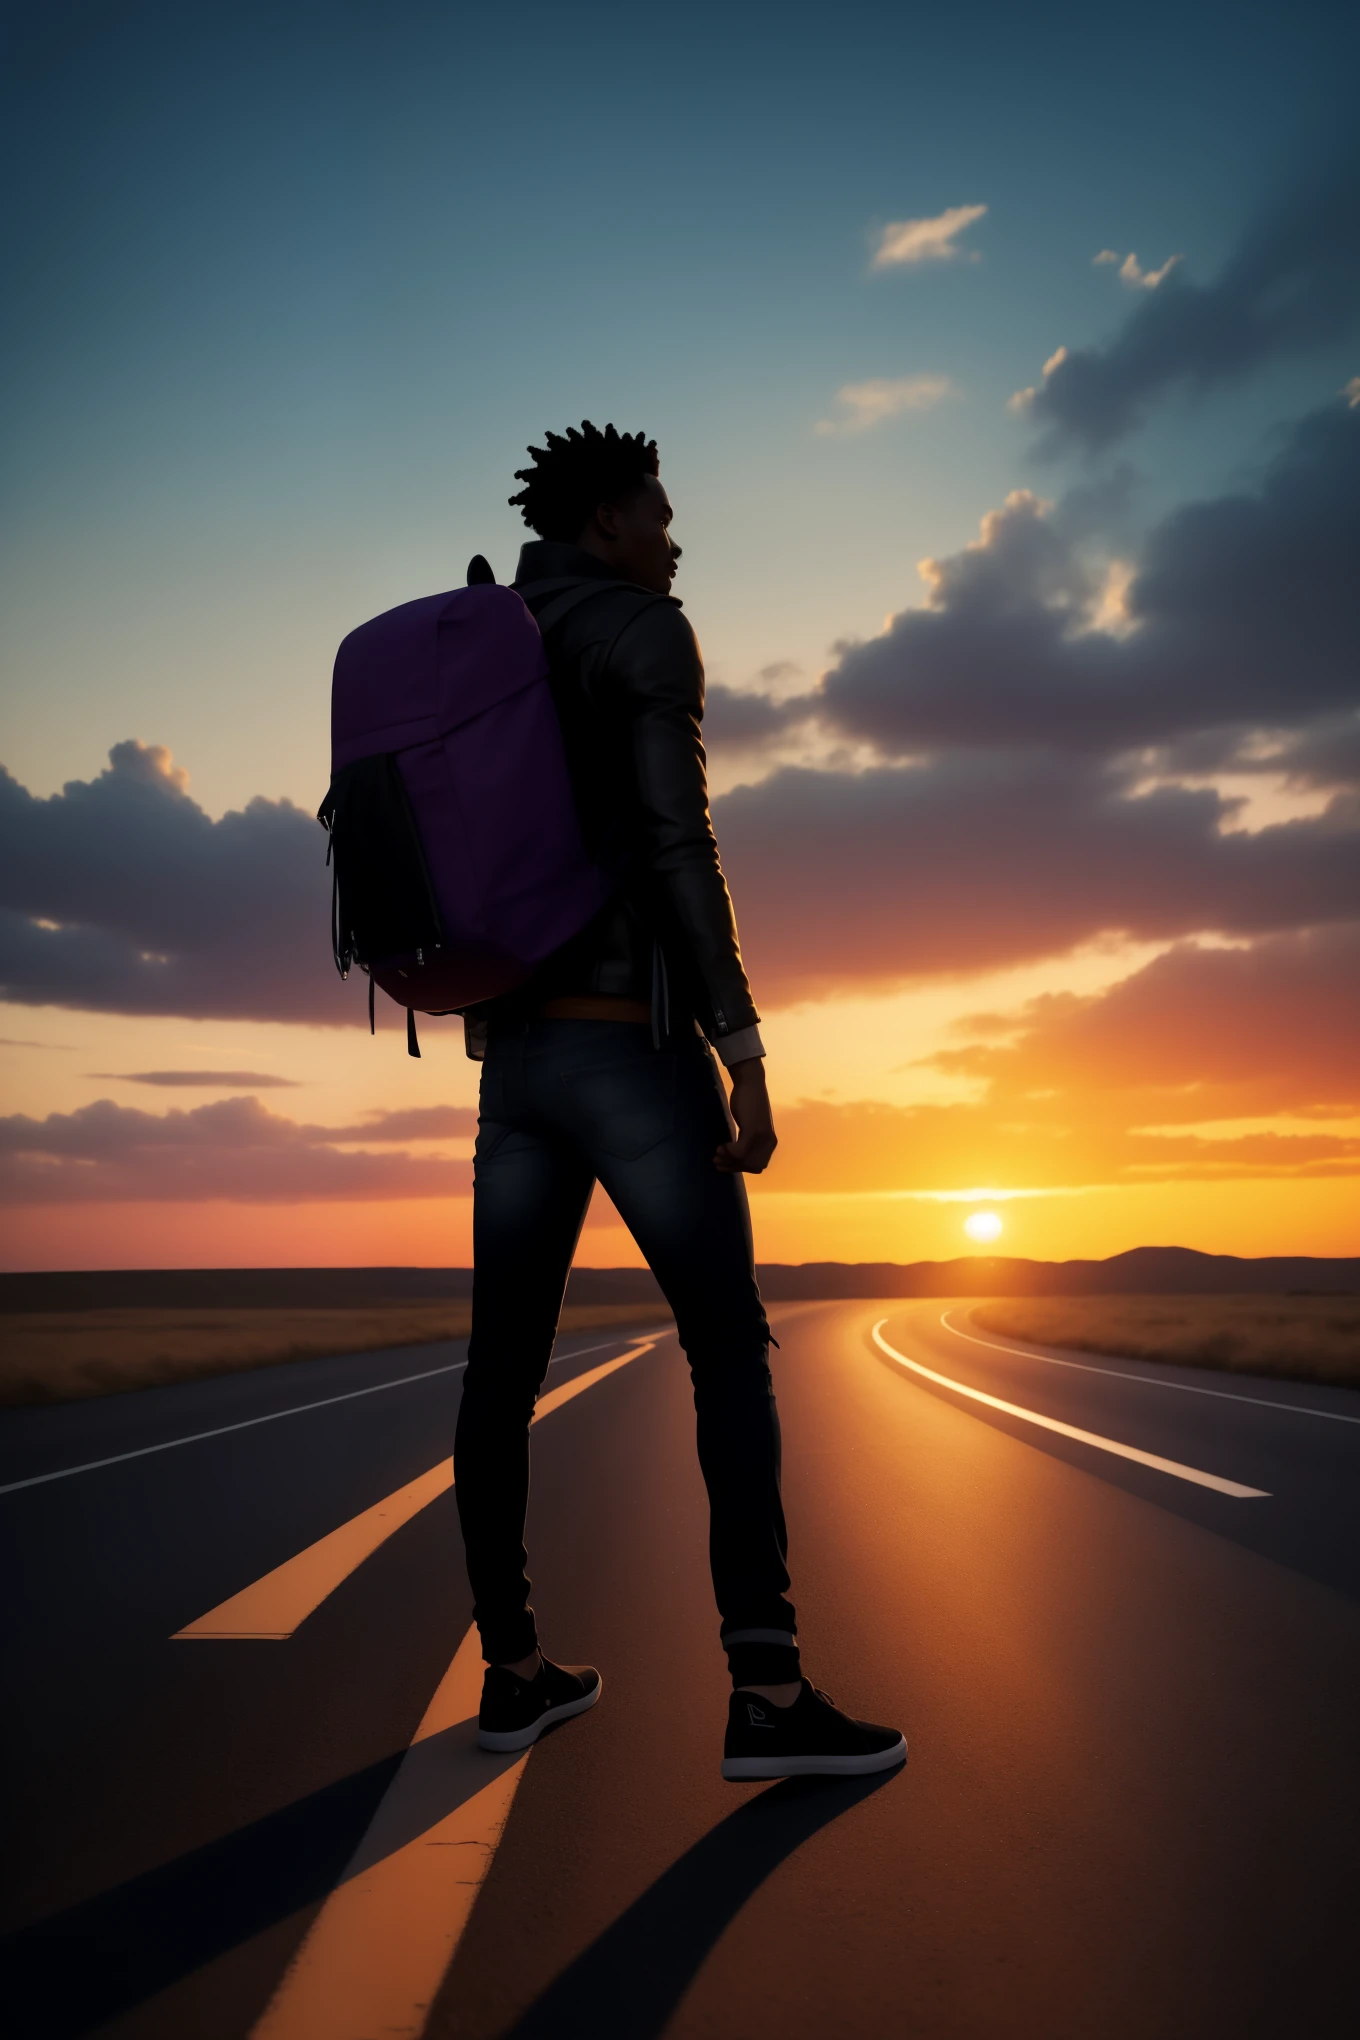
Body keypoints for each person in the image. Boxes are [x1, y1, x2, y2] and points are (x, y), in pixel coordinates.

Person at [456, 422, 904, 1780]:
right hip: (630, 1056)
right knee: (725, 1349)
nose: (674, 535)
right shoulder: (644, 632)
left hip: (513, 1064)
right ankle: (766, 1690)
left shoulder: (483, 637)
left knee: (500, 1373)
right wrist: (743, 1047)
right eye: (658, 510)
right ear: (605, 518)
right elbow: (674, 842)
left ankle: (515, 1673)